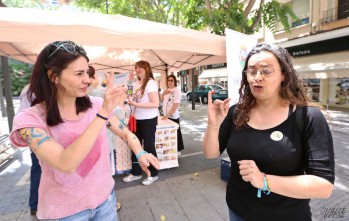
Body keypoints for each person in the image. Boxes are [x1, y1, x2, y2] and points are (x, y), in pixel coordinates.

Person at [9, 40, 159, 220]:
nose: (87, 79)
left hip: (105, 201)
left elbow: (126, 133)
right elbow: (66, 163)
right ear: (53, 76)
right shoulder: (29, 120)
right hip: (64, 213)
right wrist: (103, 112)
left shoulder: (95, 105)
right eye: (79, 73)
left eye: (87, 72)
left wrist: (140, 152)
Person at [202, 43, 335, 221]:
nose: (258, 77)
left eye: (266, 71)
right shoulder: (236, 112)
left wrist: (264, 180)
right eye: (252, 71)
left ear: (283, 75)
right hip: (238, 210)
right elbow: (211, 153)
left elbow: (323, 186)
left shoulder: (308, 117)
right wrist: (213, 124)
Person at [123, 60, 160, 185]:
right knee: (134, 146)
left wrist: (136, 104)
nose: (138, 69)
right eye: (136, 67)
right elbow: (128, 96)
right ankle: (136, 172)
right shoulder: (135, 83)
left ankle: (153, 174)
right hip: (136, 119)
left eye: (140, 67)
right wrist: (129, 80)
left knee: (149, 146)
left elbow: (155, 103)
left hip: (148, 119)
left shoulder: (151, 83)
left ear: (147, 69)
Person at [17, 84, 41, 216]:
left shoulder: (29, 88)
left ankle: (36, 204)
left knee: (38, 170)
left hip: (38, 136)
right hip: (38, 137)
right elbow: (22, 117)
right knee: (38, 170)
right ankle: (35, 204)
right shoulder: (32, 89)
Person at [161, 75, 184, 156]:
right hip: (166, 116)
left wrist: (168, 115)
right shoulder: (166, 90)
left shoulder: (176, 91)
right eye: (168, 80)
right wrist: (163, 93)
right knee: (169, 134)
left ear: (175, 82)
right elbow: (160, 99)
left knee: (176, 133)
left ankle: (178, 149)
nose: (170, 82)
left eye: (171, 80)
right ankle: (170, 148)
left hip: (172, 116)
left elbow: (175, 105)